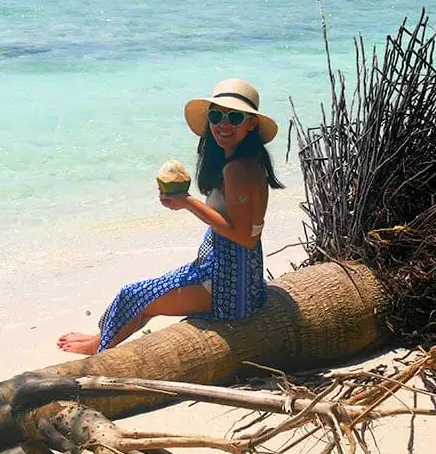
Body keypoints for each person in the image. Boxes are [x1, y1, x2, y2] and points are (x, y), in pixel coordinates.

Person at [57, 78, 284, 355]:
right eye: (216, 115)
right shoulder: (247, 162)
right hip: (237, 278)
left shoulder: (235, 170)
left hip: (228, 287)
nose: (224, 124)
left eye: (235, 117)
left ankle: (97, 347)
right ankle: (101, 337)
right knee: (142, 296)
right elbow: (247, 229)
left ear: (251, 124)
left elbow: (245, 238)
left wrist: (187, 202)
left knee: (134, 295)